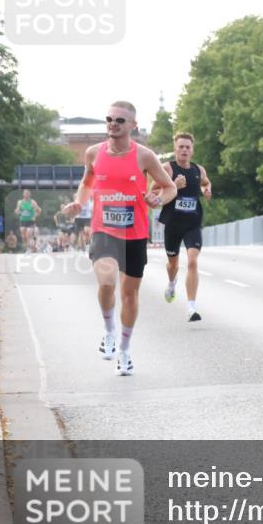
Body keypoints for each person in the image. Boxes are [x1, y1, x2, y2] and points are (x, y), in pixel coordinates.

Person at [62, 101, 177, 375]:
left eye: (120, 120)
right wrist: (79, 202)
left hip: (135, 233)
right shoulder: (93, 153)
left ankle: (124, 352)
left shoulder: (144, 156)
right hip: (103, 229)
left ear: (133, 126)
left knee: (129, 294)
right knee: (106, 284)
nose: (113, 123)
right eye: (109, 118)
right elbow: (87, 182)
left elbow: (170, 188)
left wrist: (157, 199)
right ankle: (109, 331)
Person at [155, 132, 212, 322]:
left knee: (193, 261)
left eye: (188, 147)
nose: (184, 150)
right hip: (173, 224)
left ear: (192, 150)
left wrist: (207, 190)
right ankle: (172, 283)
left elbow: (205, 183)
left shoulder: (199, 170)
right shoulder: (167, 169)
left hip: (192, 223)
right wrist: (173, 185)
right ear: (175, 149)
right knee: (173, 264)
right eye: (181, 147)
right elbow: (153, 191)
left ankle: (191, 307)